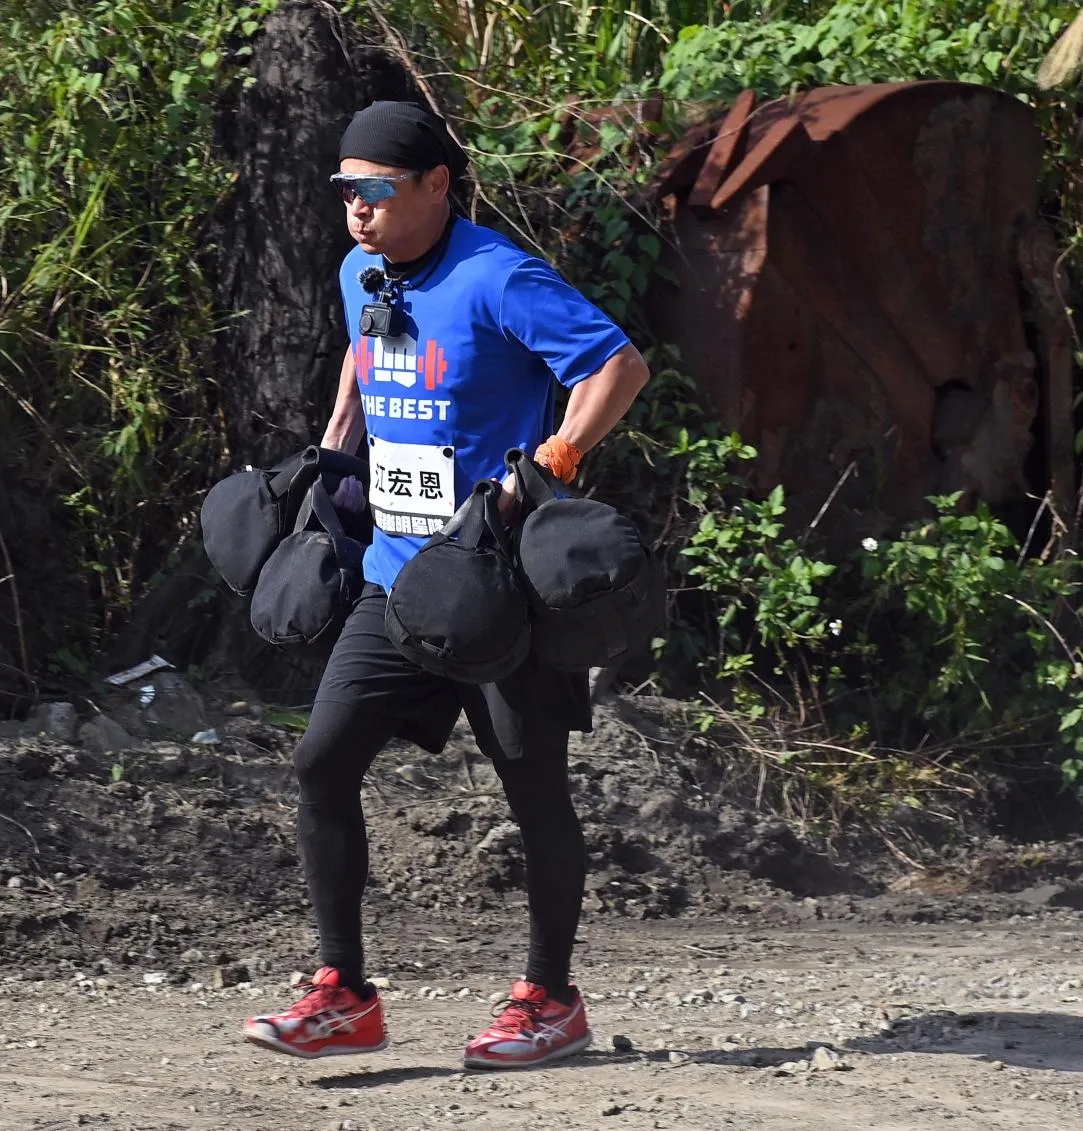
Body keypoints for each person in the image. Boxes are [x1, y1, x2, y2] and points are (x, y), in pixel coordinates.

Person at [241, 100, 650, 1070]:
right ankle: (343, 994)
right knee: (321, 764)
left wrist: (545, 464)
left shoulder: (496, 277)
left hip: (496, 587)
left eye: (376, 191)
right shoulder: (360, 270)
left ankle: (549, 1000)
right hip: (395, 577)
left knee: (531, 789)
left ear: (435, 185)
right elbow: (362, 343)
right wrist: (337, 449)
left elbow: (614, 366)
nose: (356, 210)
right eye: (345, 191)